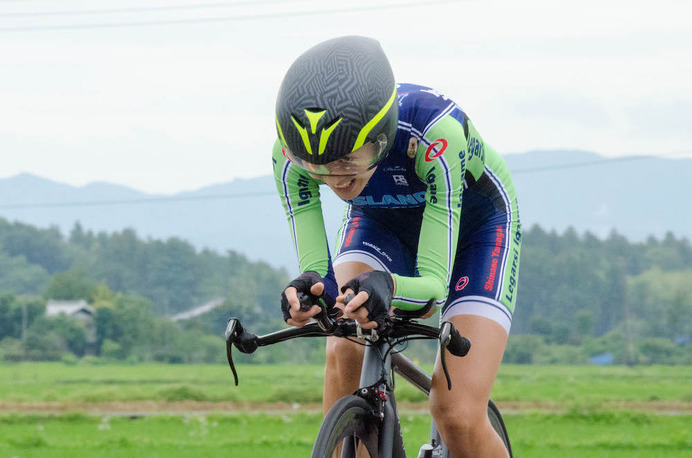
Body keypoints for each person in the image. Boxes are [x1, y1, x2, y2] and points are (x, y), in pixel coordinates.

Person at [273, 35, 521, 457]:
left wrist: (388, 286)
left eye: (347, 161)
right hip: (381, 223)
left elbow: (430, 289)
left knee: (456, 413)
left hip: (475, 231)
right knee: (342, 341)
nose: (334, 180)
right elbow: (321, 277)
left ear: (383, 138)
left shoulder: (433, 134)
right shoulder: (292, 155)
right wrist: (309, 293)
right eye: (318, 170)